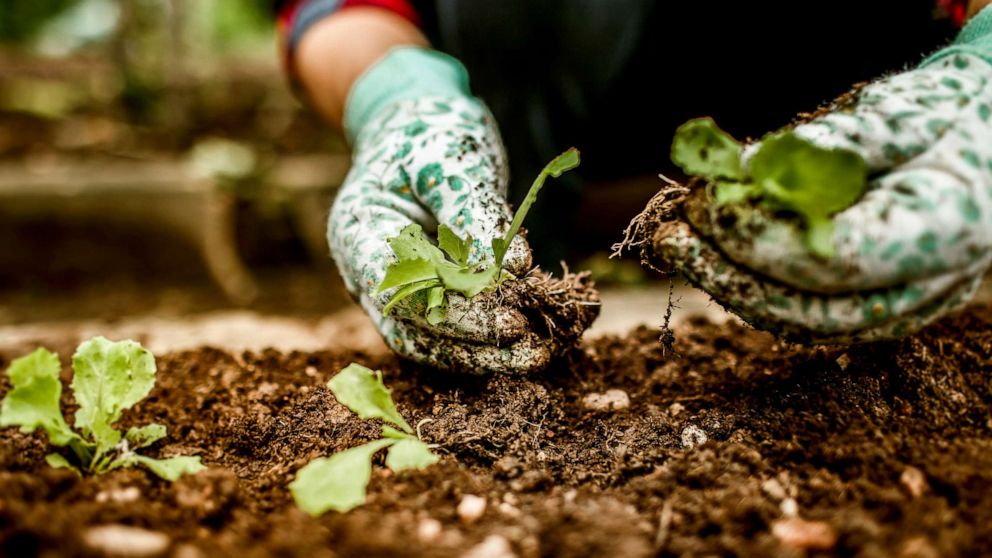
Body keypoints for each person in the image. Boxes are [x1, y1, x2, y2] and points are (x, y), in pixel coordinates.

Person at [272, 0, 992, 373]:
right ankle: (529, 265)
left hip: (854, 106)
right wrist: (396, 95)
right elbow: (339, 10)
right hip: (526, 132)